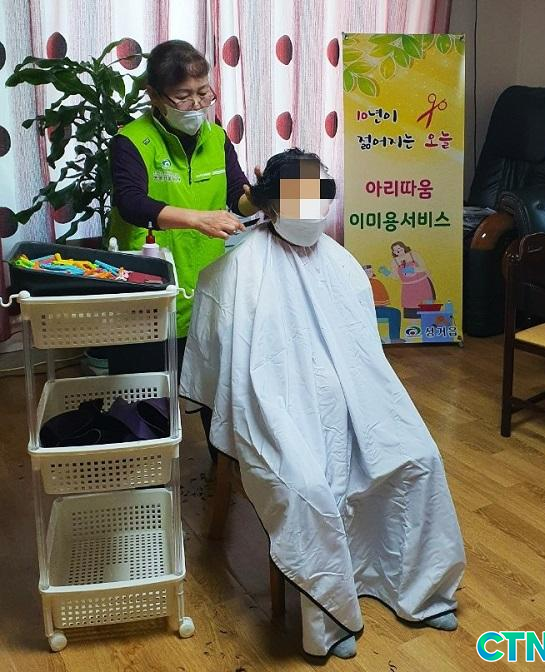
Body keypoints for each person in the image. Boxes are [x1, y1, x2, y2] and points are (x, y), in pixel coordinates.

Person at [179, 149, 465, 659]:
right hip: (277, 408)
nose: (309, 212)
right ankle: (330, 612)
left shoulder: (343, 264)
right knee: (312, 486)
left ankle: (419, 589)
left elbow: (364, 355)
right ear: (270, 205)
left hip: (358, 398)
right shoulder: (237, 268)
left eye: (317, 200)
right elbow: (222, 363)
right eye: (298, 200)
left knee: (417, 456)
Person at [108, 39, 258, 373]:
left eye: (203, 93)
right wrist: (198, 219)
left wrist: (261, 197)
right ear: (154, 95)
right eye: (182, 96)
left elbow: (238, 199)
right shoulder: (131, 140)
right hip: (146, 287)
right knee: (144, 392)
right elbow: (131, 203)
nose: (196, 105)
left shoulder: (216, 138)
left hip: (205, 287)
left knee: (205, 390)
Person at [390, 241, 436, 318]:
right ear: (394, 252)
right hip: (408, 289)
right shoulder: (394, 261)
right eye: (395, 250)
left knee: (427, 310)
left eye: (399, 248)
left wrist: (413, 269)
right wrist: (387, 273)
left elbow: (424, 268)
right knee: (412, 312)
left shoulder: (414, 255)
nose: (398, 251)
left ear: (404, 247)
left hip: (422, 285)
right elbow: (396, 277)